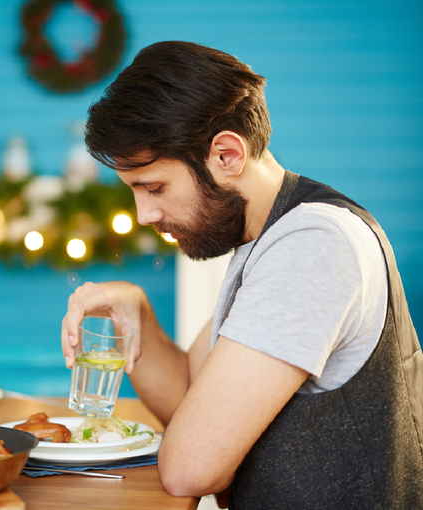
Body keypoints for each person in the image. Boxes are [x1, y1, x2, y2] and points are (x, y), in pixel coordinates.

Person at [60, 41, 423, 509]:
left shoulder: (312, 244)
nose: (144, 214)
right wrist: (137, 310)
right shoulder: (267, 237)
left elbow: (190, 467)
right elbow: (190, 394)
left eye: (155, 187)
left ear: (227, 155)